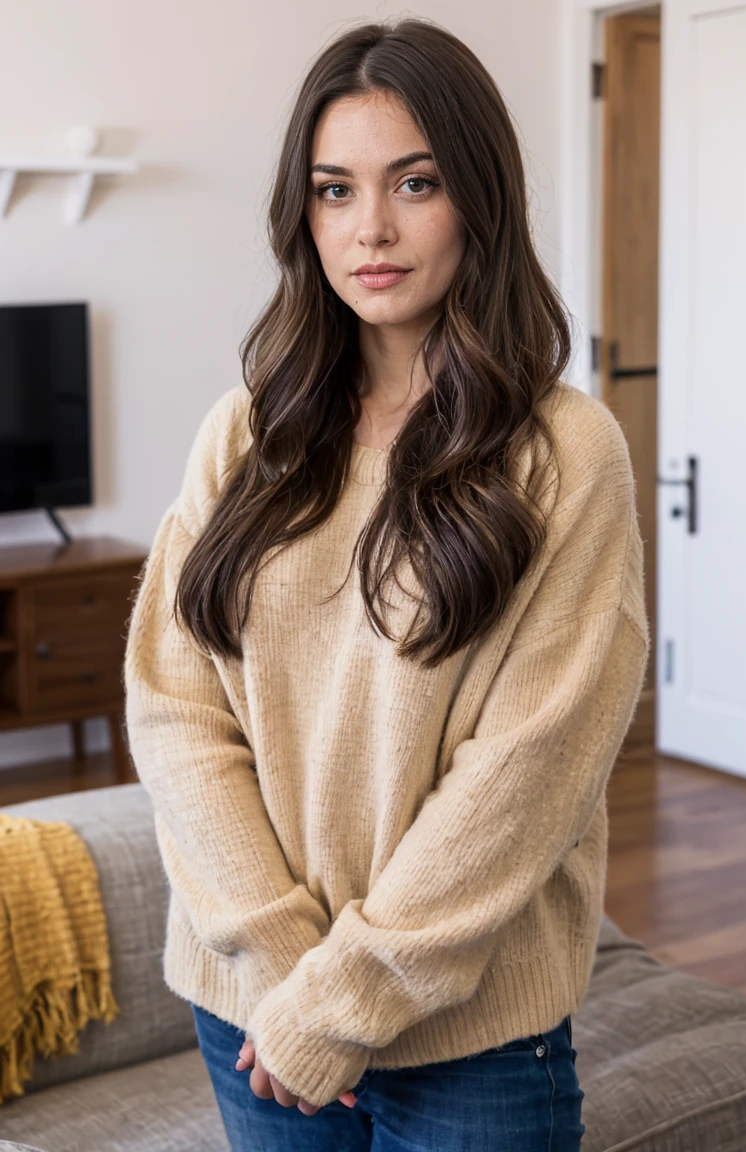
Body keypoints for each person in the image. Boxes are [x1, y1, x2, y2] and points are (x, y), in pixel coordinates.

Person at [122, 16, 650, 1152]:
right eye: (333, 189)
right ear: (300, 213)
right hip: (252, 1013)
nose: (370, 228)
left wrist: (343, 1000)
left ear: (480, 197)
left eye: (415, 182)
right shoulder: (244, 434)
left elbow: (527, 777)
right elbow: (175, 710)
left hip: (472, 1039)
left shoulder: (566, 456)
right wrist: (283, 976)